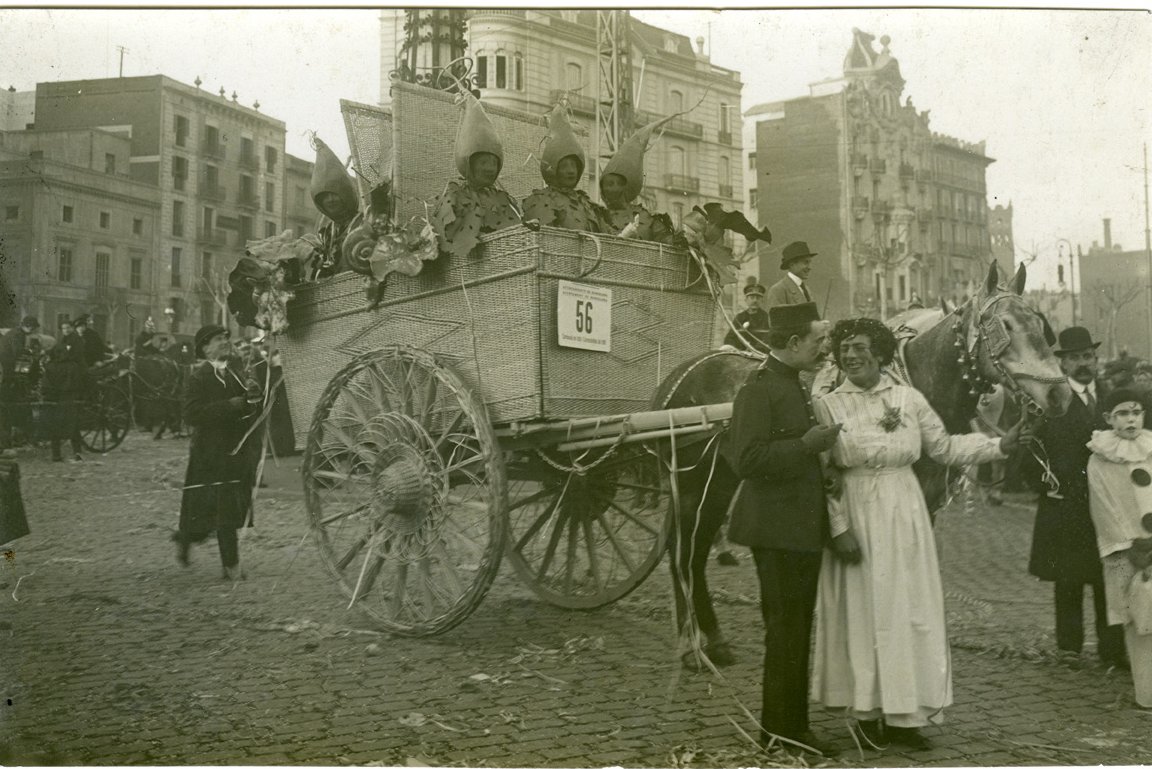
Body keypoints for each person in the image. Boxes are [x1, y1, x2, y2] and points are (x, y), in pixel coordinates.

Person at [810, 318, 1031, 750]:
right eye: (844, 349)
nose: (851, 356)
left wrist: (998, 446)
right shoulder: (828, 405)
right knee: (861, 610)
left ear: (880, 352)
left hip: (903, 513)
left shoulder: (909, 400)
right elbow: (827, 475)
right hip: (855, 514)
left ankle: (905, 715)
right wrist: (839, 529)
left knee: (904, 610)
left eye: (859, 347)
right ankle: (866, 713)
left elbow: (945, 448)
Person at [724, 301, 842, 757]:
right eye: (817, 343)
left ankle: (793, 728)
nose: (823, 351)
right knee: (784, 630)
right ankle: (779, 732)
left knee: (795, 628)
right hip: (774, 532)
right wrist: (806, 446)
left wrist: (819, 468)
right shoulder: (759, 389)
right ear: (792, 344)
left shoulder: (793, 383)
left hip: (798, 529)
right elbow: (748, 460)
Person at [1026, 326, 1128, 669]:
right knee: (1068, 577)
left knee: (1108, 575)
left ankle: (1112, 649)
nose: (1082, 364)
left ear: (1096, 359)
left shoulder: (1113, 400)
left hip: (1109, 505)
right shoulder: (1049, 401)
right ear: (1063, 365)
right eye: (1074, 358)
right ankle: (1069, 648)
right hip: (1066, 503)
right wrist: (1046, 483)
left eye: (1087, 356)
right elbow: (1030, 451)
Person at [172, 325, 263, 580]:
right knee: (208, 512)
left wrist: (253, 399)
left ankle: (217, 558)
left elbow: (246, 411)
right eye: (218, 340)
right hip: (209, 454)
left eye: (225, 338)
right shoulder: (198, 377)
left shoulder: (235, 375)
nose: (225, 343)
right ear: (205, 348)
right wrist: (229, 405)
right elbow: (191, 414)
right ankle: (218, 558)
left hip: (233, 453)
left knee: (225, 510)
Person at [1086, 387, 1152, 708]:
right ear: (1109, 419)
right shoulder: (1100, 459)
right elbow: (1104, 508)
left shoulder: (1151, 447)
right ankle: (1147, 692)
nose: (1131, 419)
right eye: (1123, 413)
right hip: (1128, 551)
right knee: (1138, 619)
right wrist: (1131, 543)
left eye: (1136, 412)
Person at [431, 93, 522, 260]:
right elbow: (448, 236)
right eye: (483, 163)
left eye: (494, 163)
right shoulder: (454, 196)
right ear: (469, 163)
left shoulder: (503, 199)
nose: (489, 169)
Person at [521, 103, 604, 233]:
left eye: (574, 165)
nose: (571, 171)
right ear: (554, 169)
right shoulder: (541, 199)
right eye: (564, 166)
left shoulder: (587, 203)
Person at [41, 318, 87, 462]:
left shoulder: (77, 340)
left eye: (68, 328)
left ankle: (72, 452)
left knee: (68, 419)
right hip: (63, 373)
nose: (66, 330)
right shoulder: (62, 341)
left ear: (72, 328)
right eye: (63, 328)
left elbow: (75, 356)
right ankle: (64, 452)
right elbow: (56, 351)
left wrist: (57, 358)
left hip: (73, 372)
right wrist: (47, 354)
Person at [0, 316, 40, 449]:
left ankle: (10, 440)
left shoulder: (12, 332)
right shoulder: (18, 335)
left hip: (6, 373)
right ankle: (14, 439)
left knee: (7, 409)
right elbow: (17, 353)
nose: (33, 331)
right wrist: (33, 354)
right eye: (33, 328)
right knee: (13, 407)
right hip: (8, 375)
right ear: (29, 326)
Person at [764, 241, 817, 309]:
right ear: (792, 264)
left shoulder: (807, 289)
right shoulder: (778, 290)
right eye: (805, 262)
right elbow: (776, 319)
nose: (809, 267)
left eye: (809, 262)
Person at [722, 282, 771, 353]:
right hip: (740, 353)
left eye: (758, 298)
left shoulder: (767, 318)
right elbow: (729, 338)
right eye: (752, 298)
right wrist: (736, 349)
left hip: (759, 354)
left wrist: (754, 349)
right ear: (746, 300)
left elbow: (768, 339)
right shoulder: (739, 317)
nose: (755, 300)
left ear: (762, 300)